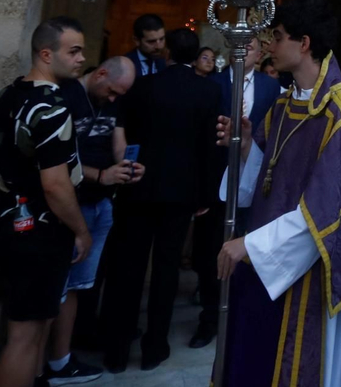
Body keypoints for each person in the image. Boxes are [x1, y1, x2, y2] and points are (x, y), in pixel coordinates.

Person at [215, 0, 341, 387]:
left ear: (304, 44)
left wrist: (251, 245)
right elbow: (266, 182)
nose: (269, 44)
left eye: (278, 36)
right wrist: (246, 147)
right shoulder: (283, 106)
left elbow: (328, 211)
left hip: (308, 271)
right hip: (264, 261)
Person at [99, 26, 220, 371]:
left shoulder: (143, 86)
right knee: (167, 269)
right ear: (195, 55)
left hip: (139, 186)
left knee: (128, 268)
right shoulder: (208, 91)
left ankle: (117, 351)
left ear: (167, 52)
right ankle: (155, 347)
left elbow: (125, 131)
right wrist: (206, 194)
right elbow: (209, 147)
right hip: (181, 192)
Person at [0, 17, 88, 387]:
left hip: (10, 215)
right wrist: (81, 230)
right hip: (39, 226)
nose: (81, 59)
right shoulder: (50, 106)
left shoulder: (5, 96)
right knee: (24, 337)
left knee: (34, 327)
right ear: (46, 54)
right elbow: (56, 185)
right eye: (73, 51)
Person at [44, 55, 140, 385]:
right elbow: (57, 161)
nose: (113, 99)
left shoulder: (113, 101)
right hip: (70, 205)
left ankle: (61, 360)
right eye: (112, 91)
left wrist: (126, 167)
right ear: (100, 74)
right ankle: (39, 364)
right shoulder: (66, 96)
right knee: (55, 288)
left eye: (119, 95)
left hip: (101, 205)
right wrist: (100, 175)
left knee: (77, 286)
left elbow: (118, 142)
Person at [193, 47, 282, 350]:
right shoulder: (212, 83)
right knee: (211, 252)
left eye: (251, 44)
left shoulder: (271, 86)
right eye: (239, 43)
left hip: (255, 178)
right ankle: (209, 318)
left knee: (248, 249)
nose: (244, 49)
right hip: (215, 179)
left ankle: (243, 315)